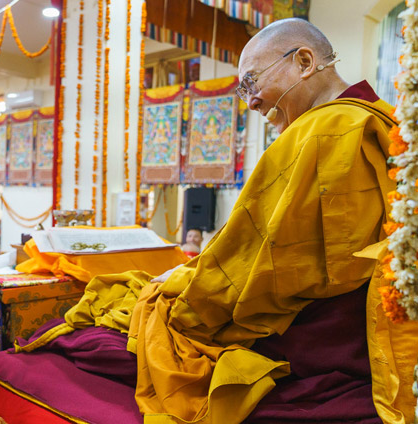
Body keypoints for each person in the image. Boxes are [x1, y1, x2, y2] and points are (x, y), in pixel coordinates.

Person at [130, 18, 416, 423]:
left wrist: (180, 284)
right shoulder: (386, 119)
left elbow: (258, 272)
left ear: (303, 61)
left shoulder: (324, 131)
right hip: (374, 332)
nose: (251, 102)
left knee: (147, 313)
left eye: (251, 83)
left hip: (314, 343)